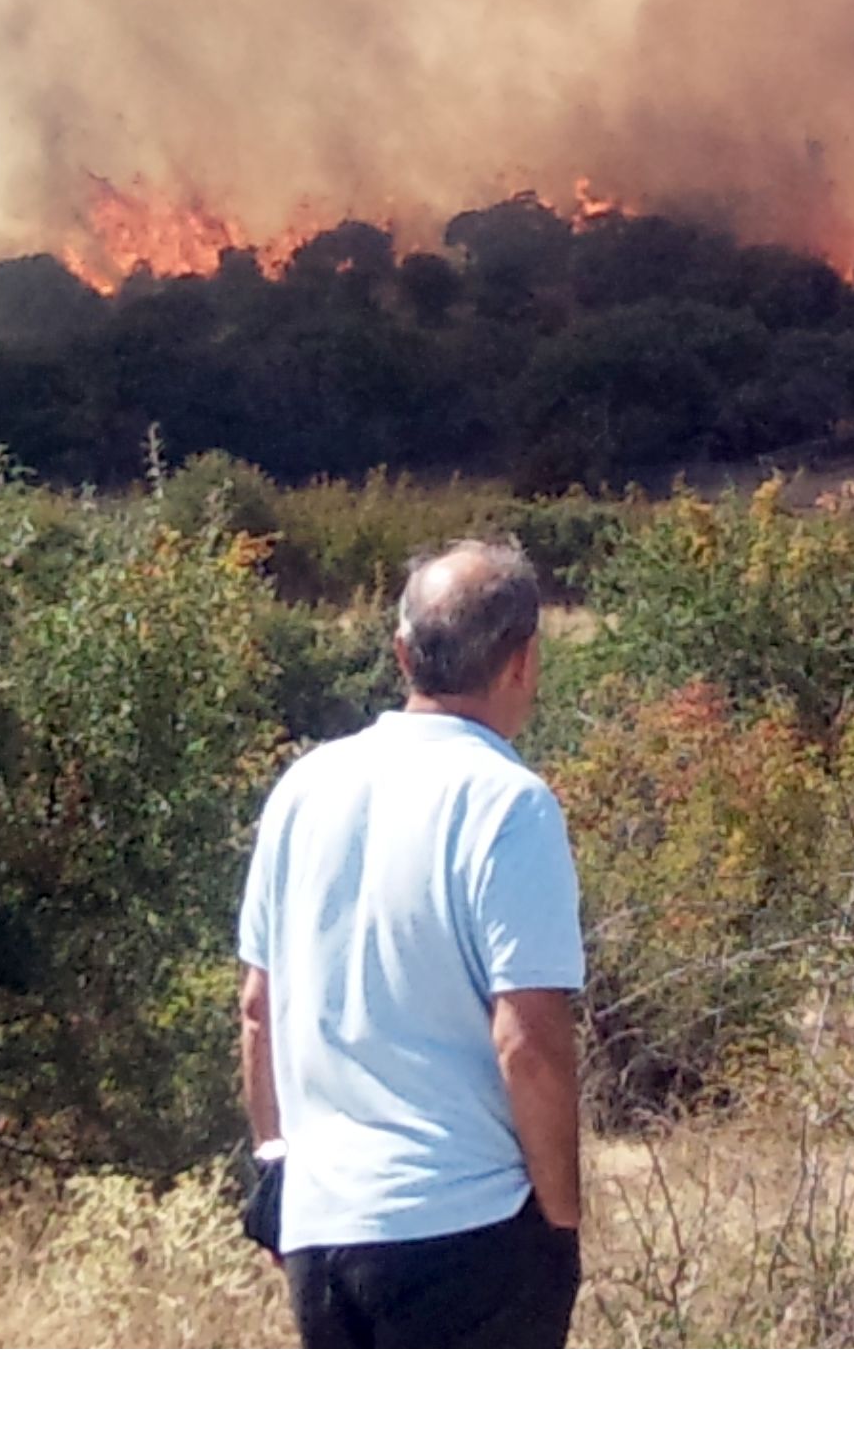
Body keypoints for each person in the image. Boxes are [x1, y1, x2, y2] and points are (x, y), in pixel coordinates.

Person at [238, 538, 587, 1349]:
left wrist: (278, 1171)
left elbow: (259, 1009)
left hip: (324, 1231)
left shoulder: (303, 787)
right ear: (525, 661)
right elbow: (528, 1040)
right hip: (467, 1223)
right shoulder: (509, 802)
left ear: (402, 653)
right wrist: (561, 1215)